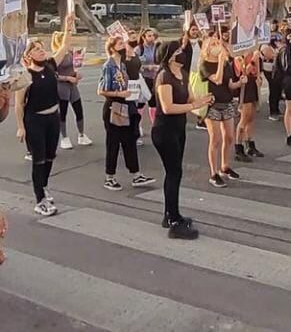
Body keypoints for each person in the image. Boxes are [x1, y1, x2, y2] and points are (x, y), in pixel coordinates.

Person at [14, 15, 74, 216]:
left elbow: (64, 46)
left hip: (52, 118)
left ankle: (44, 186)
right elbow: (19, 104)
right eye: (37, 49)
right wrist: (21, 127)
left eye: (42, 48)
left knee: (50, 157)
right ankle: (39, 200)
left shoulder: (50, 66)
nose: (41, 51)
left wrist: (67, 27)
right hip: (35, 120)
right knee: (38, 160)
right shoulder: (25, 76)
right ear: (29, 55)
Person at [153, 41, 213, 239]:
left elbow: (189, 100)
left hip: (178, 129)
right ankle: (173, 222)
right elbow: (168, 107)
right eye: (177, 51)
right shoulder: (164, 77)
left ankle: (172, 214)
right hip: (165, 130)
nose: (182, 54)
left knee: (175, 172)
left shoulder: (183, 75)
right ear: (169, 57)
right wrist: (192, 106)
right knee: (173, 172)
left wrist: (202, 102)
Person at [98, 36, 156, 192]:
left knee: (129, 140)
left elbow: (135, 59)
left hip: (127, 105)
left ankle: (136, 173)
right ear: (112, 48)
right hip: (114, 106)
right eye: (120, 44)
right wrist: (119, 94)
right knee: (113, 143)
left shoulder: (122, 64)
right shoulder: (109, 66)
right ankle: (109, 176)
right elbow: (101, 90)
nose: (123, 46)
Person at [199, 36, 242, 187]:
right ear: (207, 49)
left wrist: (239, 83)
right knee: (215, 139)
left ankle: (225, 166)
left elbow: (229, 84)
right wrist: (220, 63)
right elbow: (217, 80)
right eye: (213, 45)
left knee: (229, 136)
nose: (217, 46)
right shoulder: (205, 65)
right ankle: (213, 172)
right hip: (213, 104)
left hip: (227, 102)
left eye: (217, 44)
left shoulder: (226, 65)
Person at [51, 32, 92, 150]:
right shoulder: (56, 56)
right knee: (63, 113)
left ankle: (81, 134)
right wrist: (67, 78)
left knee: (78, 109)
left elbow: (74, 68)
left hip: (73, 86)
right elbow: (53, 74)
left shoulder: (71, 53)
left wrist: (77, 75)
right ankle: (64, 137)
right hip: (62, 87)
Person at [234, 49, 264, 162]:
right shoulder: (239, 57)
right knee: (244, 118)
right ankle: (238, 147)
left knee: (251, 118)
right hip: (244, 89)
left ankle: (250, 144)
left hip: (253, 86)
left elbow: (256, 72)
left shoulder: (254, 53)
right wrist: (252, 60)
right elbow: (244, 71)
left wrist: (259, 76)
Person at [181, 23, 207, 130]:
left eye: (196, 30)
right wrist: (183, 44)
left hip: (198, 72)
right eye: (193, 30)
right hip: (186, 72)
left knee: (198, 94)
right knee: (186, 94)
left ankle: (201, 118)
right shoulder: (183, 42)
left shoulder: (201, 43)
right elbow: (179, 54)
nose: (195, 32)